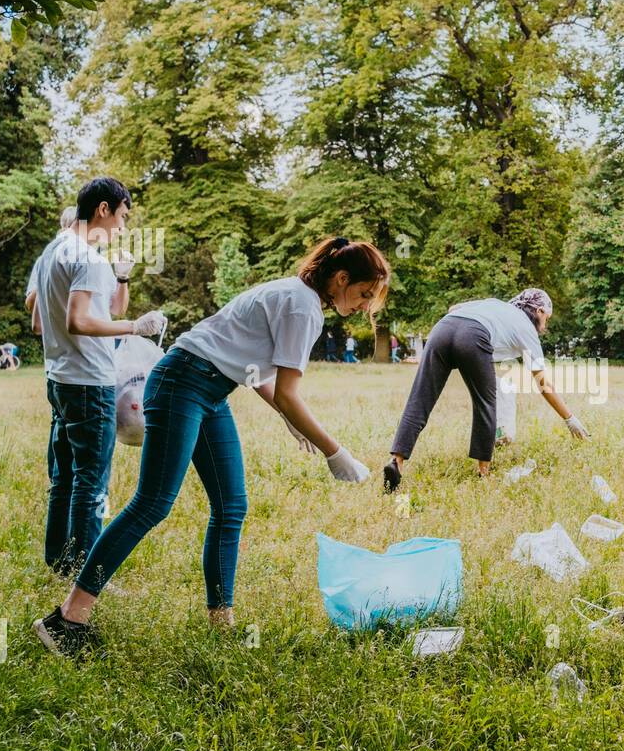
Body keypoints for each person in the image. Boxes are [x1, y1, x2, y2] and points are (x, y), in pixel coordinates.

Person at [33, 236, 389, 657]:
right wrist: (336, 452)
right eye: (364, 294)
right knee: (152, 503)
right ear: (341, 278)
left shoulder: (294, 295)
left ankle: (222, 627)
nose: (365, 306)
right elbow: (289, 393)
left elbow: (253, 368)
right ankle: (66, 620)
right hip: (182, 382)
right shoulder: (302, 306)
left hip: (208, 390)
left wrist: (286, 416)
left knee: (230, 506)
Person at [34, 177, 165, 576]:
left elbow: (43, 319)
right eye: (122, 216)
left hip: (59, 379)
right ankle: (86, 575)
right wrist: (133, 327)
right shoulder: (87, 258)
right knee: (91, 483)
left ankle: (59, 561)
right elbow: (78, 320)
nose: (123, 227)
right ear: (103, 210)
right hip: (90, 383)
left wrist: (121, 279)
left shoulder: (55, 250)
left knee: (65, 477)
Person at [383, 289, 589, 492]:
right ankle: (484, 473)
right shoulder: (527, 328)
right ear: (540, 311)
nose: (545, 325)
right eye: (547, 319)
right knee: (486, 403)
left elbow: (453, 308)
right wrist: (570, 419)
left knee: (420, 398)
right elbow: (543, 384)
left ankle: (397, 461)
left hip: (442, 329)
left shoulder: (495, 305)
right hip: (473, 336)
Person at [27, 205, 79, 335]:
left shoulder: (85, 258)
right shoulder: (44, 260)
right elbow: (29, 304)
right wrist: (46, 281)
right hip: (55, 334)